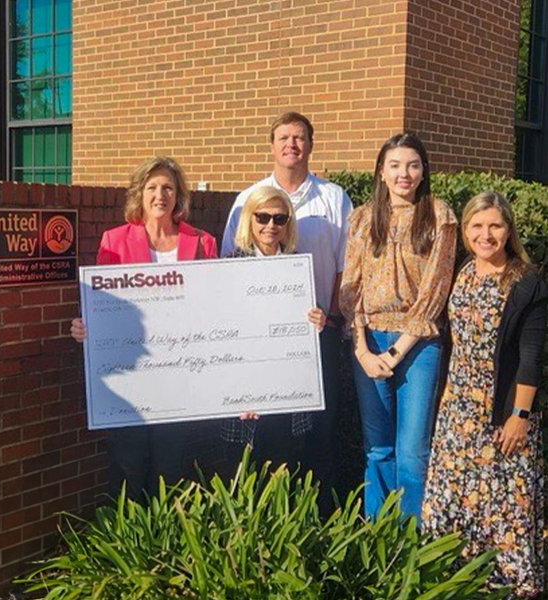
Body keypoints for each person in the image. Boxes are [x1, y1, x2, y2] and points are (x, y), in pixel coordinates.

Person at [222, 112, 352, 512]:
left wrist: (327, 318)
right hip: (253, 349)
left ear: (310, 145)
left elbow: (348, 267)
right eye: (283, 137)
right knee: (255, 437)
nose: (291, 144)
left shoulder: (335, 198)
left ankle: (314, 515)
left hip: (318, 330)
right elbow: (226, 276)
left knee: (318, 429)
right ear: (272, 145)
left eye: (299, 137)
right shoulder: (248, 197)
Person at [70, 155, 217, 500]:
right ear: (140, 194)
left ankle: (164, 545)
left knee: (171, 466)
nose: (160, 195)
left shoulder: (202, 243)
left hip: (178, 376)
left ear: (179, 195)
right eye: (152, 187)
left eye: (168, 187)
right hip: (130, 377)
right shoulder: (114, 240)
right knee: (128, 464)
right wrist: (86, 326)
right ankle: (128, 545)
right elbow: (103, 304)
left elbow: (212, 306)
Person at [421, 192, 545, 597]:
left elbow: (531, 356)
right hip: (458, 407)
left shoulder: (527, 282)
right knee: (451, 498)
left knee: (505, 505)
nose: (485, 234)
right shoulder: (460, 272)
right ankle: (457, 580)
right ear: (466, 231)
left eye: (494, 226)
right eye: (477, 225)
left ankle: (509, 586)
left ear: (509, 230)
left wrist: (520, 416)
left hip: (503, 413)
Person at [339, 132, 457, 521]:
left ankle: (411, 543)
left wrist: (394, 351)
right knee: (377, 447)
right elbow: (350, 288)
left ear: (423, 172)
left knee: (411, 450)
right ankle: (377, 536)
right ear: (381, 172)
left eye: (412, 165)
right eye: (395, 165)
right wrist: (362, 350)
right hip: (369, 340)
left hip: (418, 345)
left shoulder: (439, 216)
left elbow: (435, 290)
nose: (403, 174)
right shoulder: (361, 218)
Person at [219, 185, 325, 475]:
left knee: (283, 481)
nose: (270, 226)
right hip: (242, 402)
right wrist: (238, 392)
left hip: (287, 399)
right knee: (240, 483)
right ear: (249, 220)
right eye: (262, 217)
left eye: (280, 219)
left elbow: (304, 330)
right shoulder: (228, 267)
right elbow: (220, 334)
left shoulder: (298, 267)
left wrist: (317, 321)